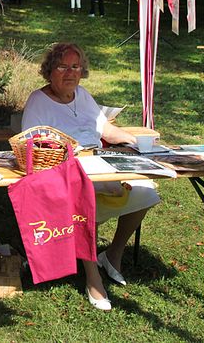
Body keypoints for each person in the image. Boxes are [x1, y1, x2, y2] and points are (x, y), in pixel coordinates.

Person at [21, 42, 160, 311]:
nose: (70, 72)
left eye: (75, 66)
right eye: (62, 66)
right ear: (50, 70)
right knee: (83, 198)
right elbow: (32, 144)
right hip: (65, 174)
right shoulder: (38, 101)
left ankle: (113, 254)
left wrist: (136, 142)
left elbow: (106, 131)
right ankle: (92, 277)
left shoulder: (82, 95)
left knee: (147, 191)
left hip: (99, 165)